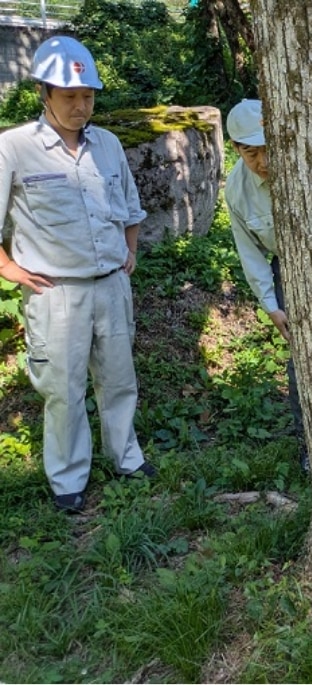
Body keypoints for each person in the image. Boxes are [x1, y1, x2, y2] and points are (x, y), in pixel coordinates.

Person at [0, 36, 154, 513]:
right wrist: (8, 268)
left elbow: (130, 207)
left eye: (88, 95)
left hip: (111, 284)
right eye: (69, 96)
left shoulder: (107, 144)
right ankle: (68, 478)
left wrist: (129, 252)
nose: (81, 106)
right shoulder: (14, 148)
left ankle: (126, 457)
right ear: (44, 93)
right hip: (56, 292)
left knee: (119, 379)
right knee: (64, 391)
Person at [223, 98, 308, 469]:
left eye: (268, 148)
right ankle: (309, 446)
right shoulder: (236, 190)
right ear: (236, 148)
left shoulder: (309, 161)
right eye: (251, 153)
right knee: (302, 358)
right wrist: (271, 305)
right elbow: (251, 254)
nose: (264, 162)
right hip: (286, 268)